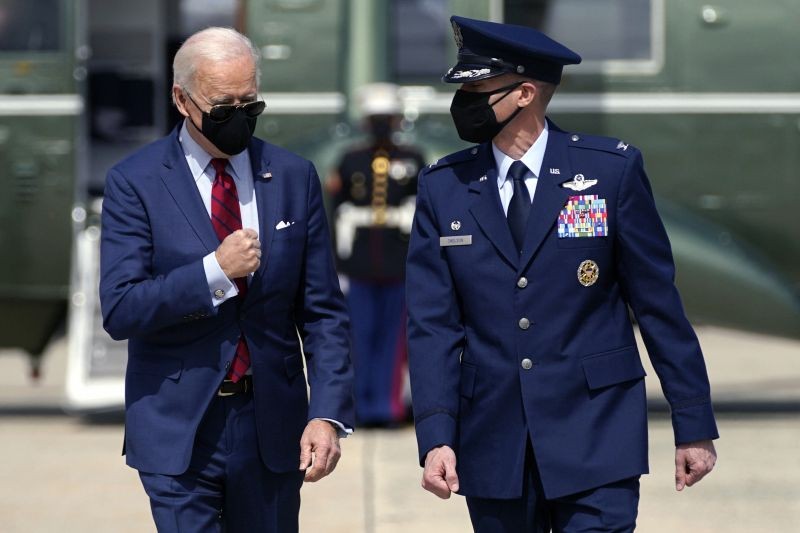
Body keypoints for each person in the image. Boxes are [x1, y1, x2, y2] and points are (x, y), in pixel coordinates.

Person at [406, 15, 718, 532]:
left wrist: (693, 422)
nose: (464, 103)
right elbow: (432, 325)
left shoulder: (609, 172)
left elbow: (658, 305)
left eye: (478, 90)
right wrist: (437, 434)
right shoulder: (444, 187)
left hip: (597, 431)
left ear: (525, 93)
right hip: (494, 440)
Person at [99, 27, 353, 533]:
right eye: (222, 108)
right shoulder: (136, 181)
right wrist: (214, 272)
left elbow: (323, 312)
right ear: (182, 100)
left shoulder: (293, 175)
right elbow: (122, 308)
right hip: (179, 428)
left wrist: (327, 413)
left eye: (249, 105)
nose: (238, 118)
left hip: (271, 427)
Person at [327, 83, 425, 426]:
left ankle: (387, 406)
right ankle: (359, 405)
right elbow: (336, 211)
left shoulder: (413, 159)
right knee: (358, 337)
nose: (382, 124)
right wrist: (337, 264)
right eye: (376, 118)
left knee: (394, 340)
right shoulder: (350, 160)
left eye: (386, 117)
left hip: (399, 262)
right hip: (358, 262)